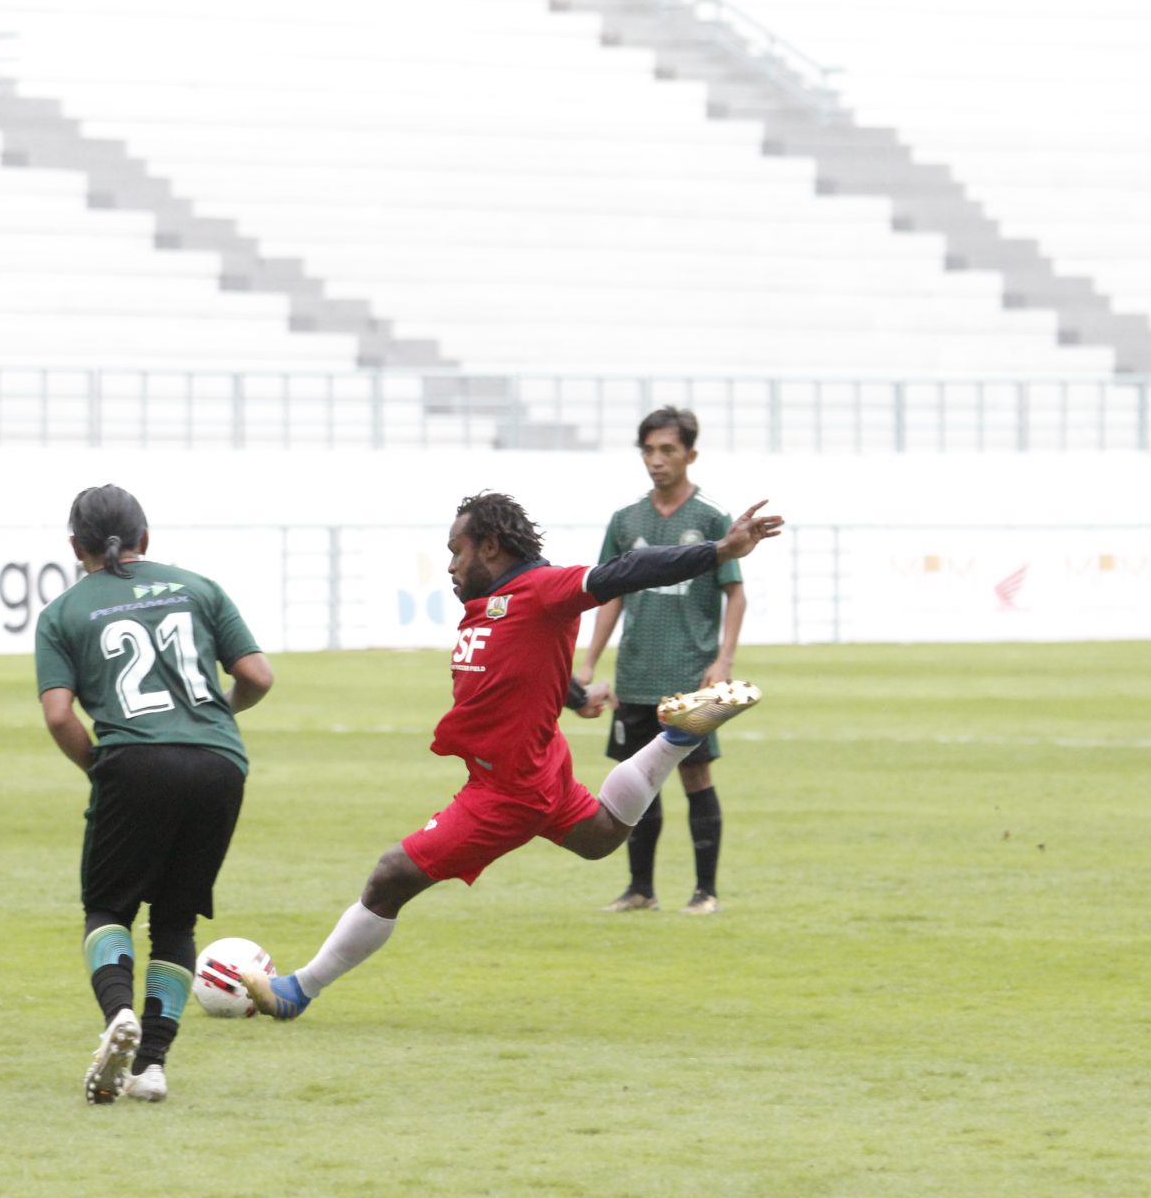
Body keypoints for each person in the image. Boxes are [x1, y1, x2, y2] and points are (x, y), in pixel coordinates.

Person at [239, 490, 783, 1022]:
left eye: (457, 550)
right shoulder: (494, 606)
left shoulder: (543, 588)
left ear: (491, 546)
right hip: (539, 765)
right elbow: (519, 664)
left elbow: (628, 569)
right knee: (600, 837)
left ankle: (297, 991)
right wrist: (573, 695)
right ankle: (677, 738)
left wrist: (717, 551)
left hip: (506, 791)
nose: (450, 564)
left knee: (391, 875)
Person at [34, 484, 274, 1105]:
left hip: (133, 762)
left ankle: (118, 1014)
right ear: (146, 538)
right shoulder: (198, 587)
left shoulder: (62, 613)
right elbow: (257, 675)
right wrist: (219, 714)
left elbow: (60, 715)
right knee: (175, 920)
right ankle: (153, 1067)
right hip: (220, 763)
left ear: (74, 547)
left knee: (107, 909)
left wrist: (101, 769)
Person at [575, 406, 744, 915]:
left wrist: (724, 661)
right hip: (636, 675)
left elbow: (735, 592)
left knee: (696, 777)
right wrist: (588, 663)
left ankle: (705, 892)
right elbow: (610, 597)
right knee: (635, 782)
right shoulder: (626, 521)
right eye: (648, 450)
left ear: (690, 454)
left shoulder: (712, 519)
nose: (656, 460)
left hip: (689, 677)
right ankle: (640, 890)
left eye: (667, 450)